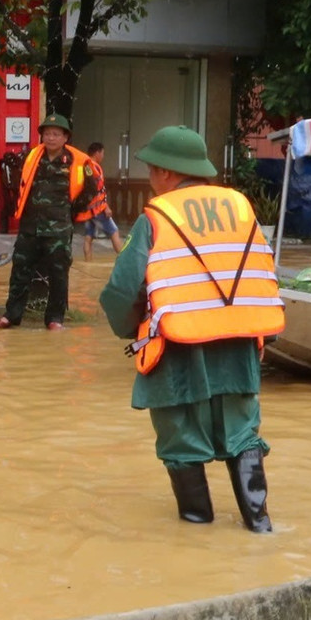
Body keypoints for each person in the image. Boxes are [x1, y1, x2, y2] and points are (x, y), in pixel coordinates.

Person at [99, 127, 284, 532]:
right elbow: (263, 273)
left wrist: (130, 328)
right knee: (243, 435)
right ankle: (260, 526)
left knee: (182, 442)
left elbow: (121, 289)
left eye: (150, 168)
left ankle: (198, 531)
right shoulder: (240, 207)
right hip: (239, 349)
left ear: (166, 172)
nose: (150, 177)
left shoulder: (157, 217)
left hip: (178, 349)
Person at [0, 113, 92, 331]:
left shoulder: (76, 162)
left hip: (58, 229)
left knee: (58, 274)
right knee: (20, 270)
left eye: (56, 134)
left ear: (65, 137)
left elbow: (89, 191)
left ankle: (55, 319)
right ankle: (12, 315)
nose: (51, 138)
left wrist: (70, 214)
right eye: (47, 133)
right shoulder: (31, 158)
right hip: (30, 227)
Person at [78, 144, 125, 257]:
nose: (103, 156)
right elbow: (98, 190)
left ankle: (87, 263)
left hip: (88, 209)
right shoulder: (95, 167)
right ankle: (125, 260)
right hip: (98, 208)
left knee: (88, 237)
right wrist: (106, 207)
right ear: (97, 153)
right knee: (114, 232)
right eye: (102, 153)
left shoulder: (85, 166)